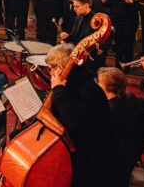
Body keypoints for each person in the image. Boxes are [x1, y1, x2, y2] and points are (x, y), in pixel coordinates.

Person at [46, 44, 125, 187]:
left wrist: (58, 90)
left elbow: (73, 121)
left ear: (60, 68)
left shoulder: (88, 89)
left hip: (100, 163)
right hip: (90, 153)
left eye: (50, 68)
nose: (50, 73)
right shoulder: (77, 82)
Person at [97, 67, 144, 185]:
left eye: (99, 83)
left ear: (109, 87)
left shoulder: (108, 111)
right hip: (132, 153)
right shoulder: (130, 97)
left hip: (118, 163)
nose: (97, 86)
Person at [104, 0, 140, 66]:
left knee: (128, 45)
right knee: (118, 44)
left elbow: (139, 7)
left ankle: (127, 66)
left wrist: (132, 3)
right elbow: (110, 6)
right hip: (117, 21)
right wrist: (105, 2)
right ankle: (118, 65)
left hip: (130, 22)